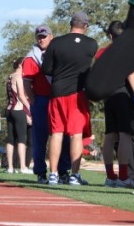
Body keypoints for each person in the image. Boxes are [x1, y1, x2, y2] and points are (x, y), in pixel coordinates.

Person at [41, 11, 98, 186]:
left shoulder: (56, 42)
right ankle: (74, 175)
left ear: (70, 24)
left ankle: (53, 174)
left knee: (56, 133)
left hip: (58, 91)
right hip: (78, 93)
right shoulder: (91, 44)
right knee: (76, 135)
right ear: (86, 26)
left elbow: (46, 69)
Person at [22, 25, 71, 184]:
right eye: (39, 37)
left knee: (63, 136)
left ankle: (63, 171)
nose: (41, 39)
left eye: (44, 36)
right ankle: (41, 172)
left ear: (51, 36)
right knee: (40, 138)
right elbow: (26, 83)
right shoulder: (31, 58)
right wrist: (33, 100)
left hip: (58, 98)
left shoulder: (59, 53)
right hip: (42, 99)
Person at [95, 21, 134, 188]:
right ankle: (123, 177)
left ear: (110, 35)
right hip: (122, 94)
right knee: (125, 136)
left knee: (110, 135)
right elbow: (130, 73)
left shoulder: (100, 53)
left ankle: (110, 176)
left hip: (108, 96)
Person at [5, 58, 33, 174]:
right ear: (21, 65)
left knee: (10, 139)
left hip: (9, 109)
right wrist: (31, 109)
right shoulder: (19, 77)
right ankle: (22, 167)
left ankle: (10, 167)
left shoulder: (9, 77)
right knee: (22, 138)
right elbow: (21, 96)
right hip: (18, 109)